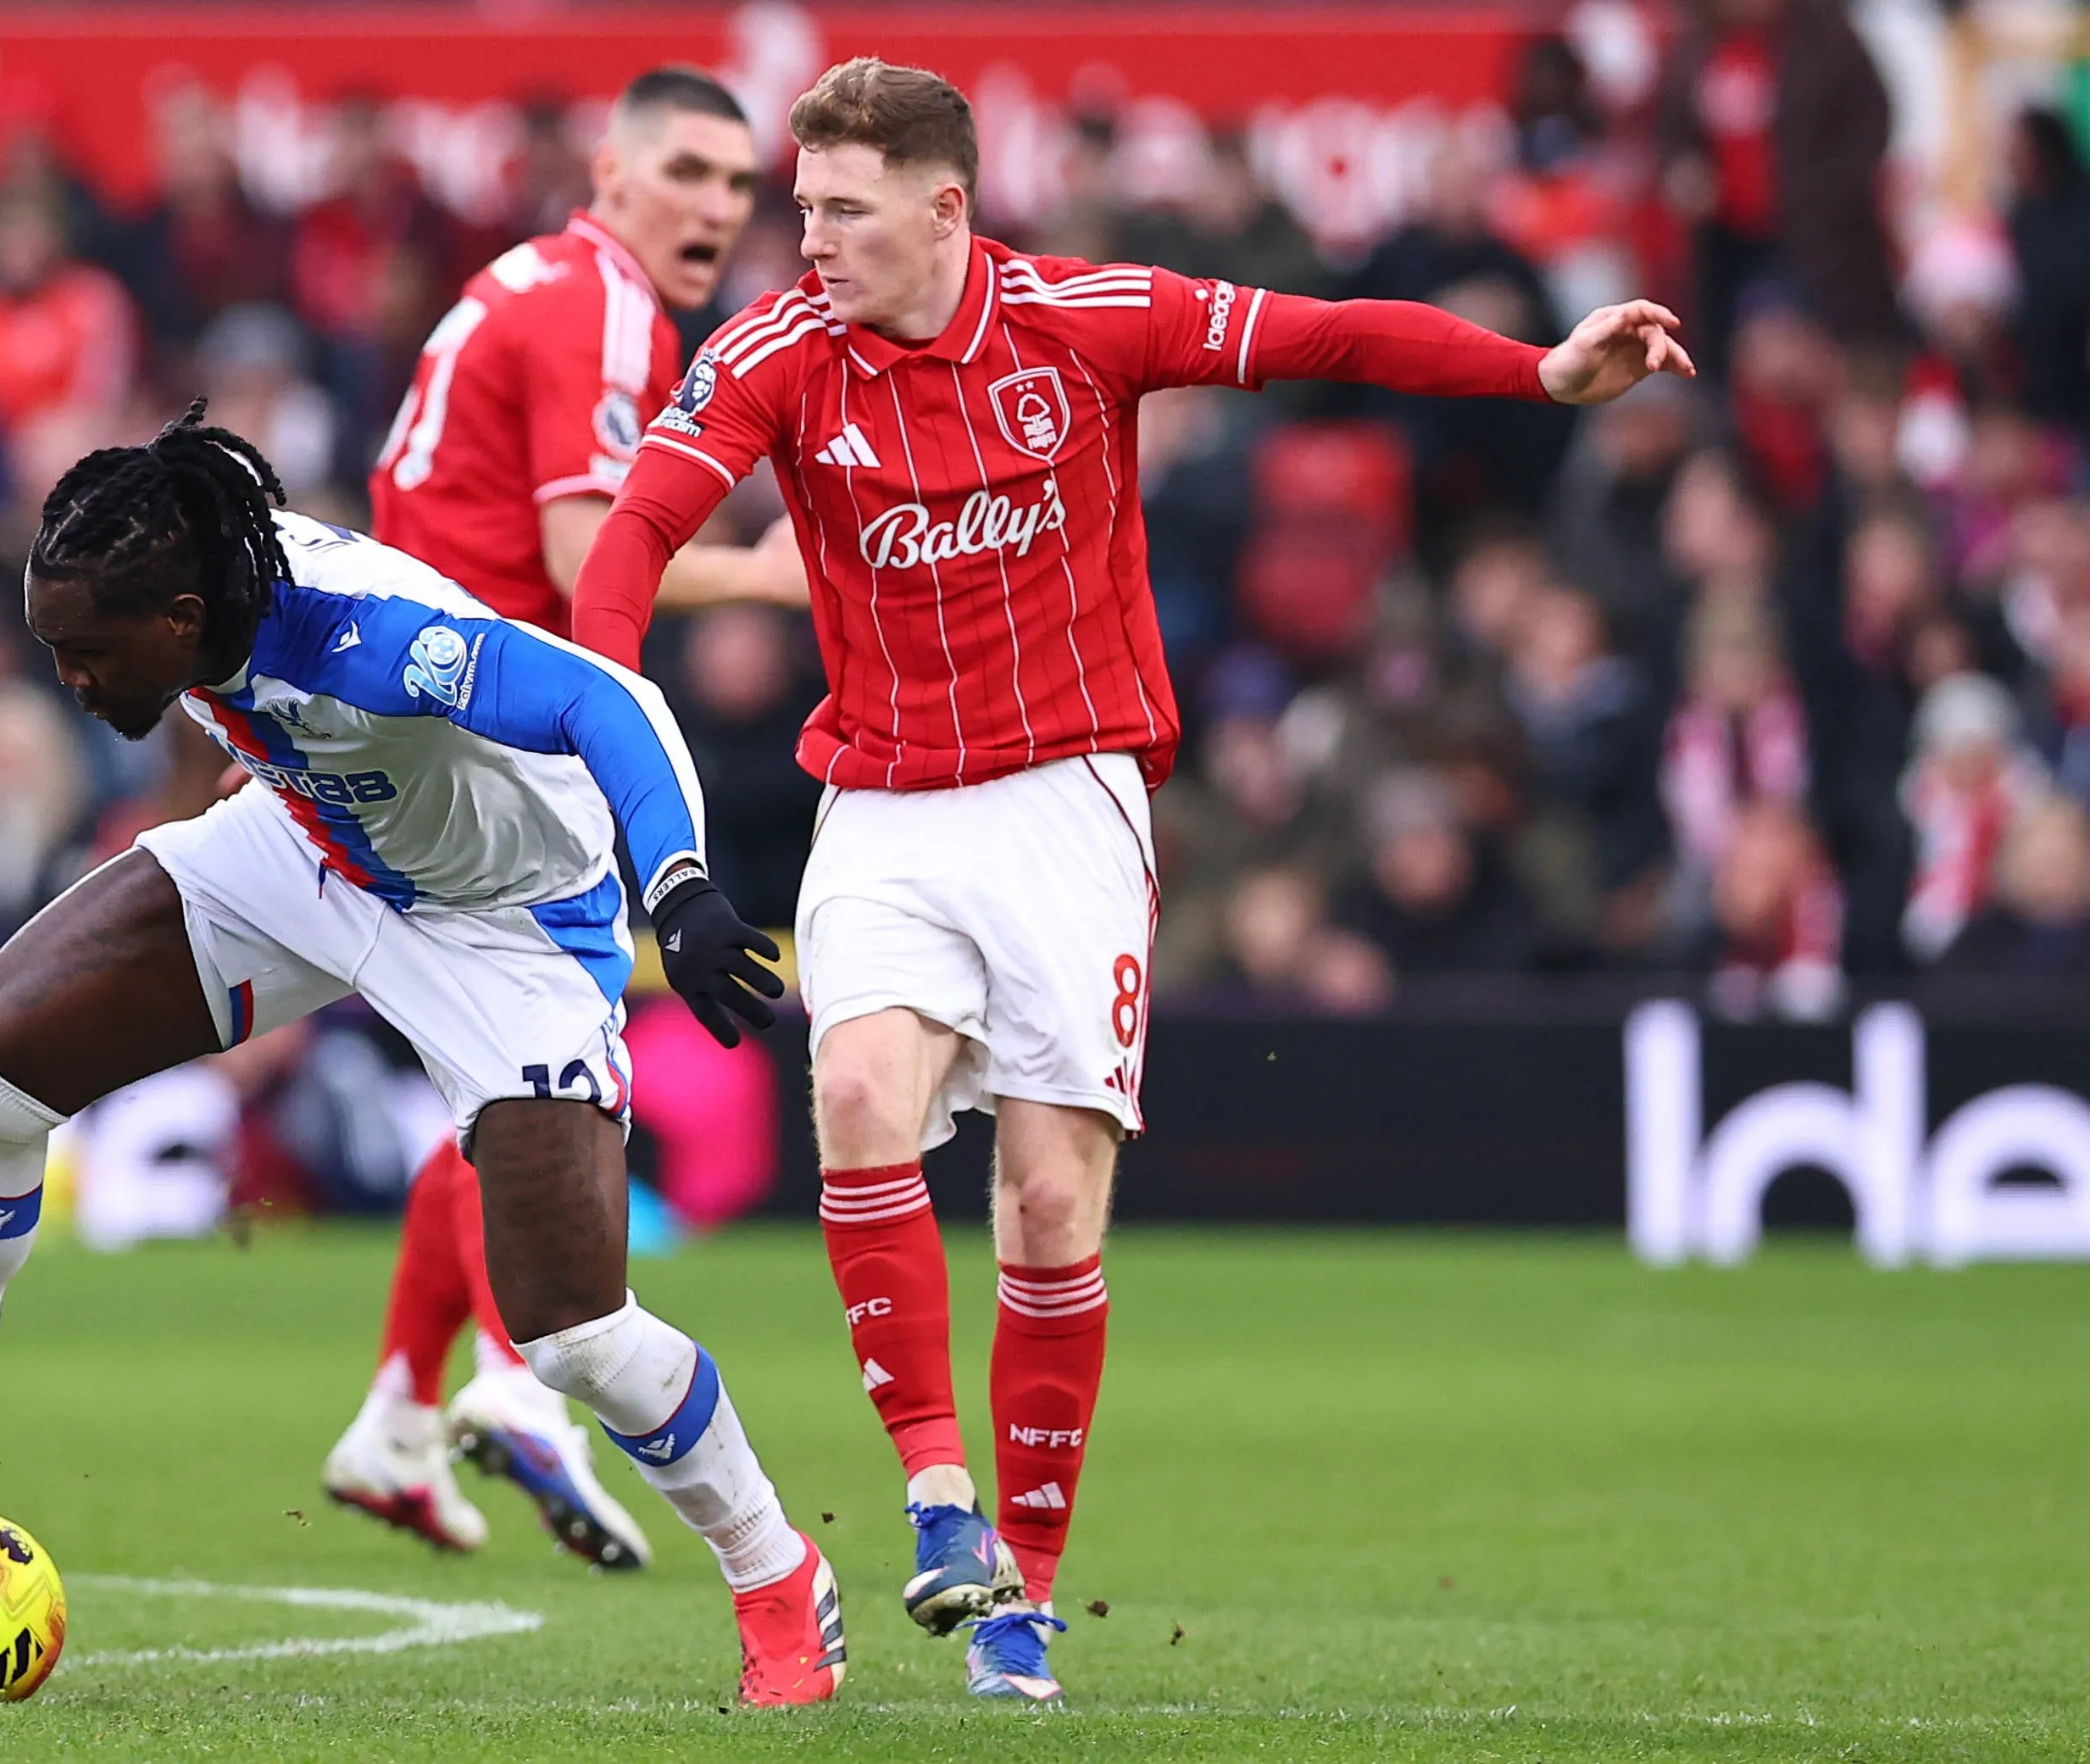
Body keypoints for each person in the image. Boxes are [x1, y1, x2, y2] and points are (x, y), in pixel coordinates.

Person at [572, 56, 1694, 1702]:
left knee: (1043, 1203)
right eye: (798, 207)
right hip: (881, 798)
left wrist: (1540, 368)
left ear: (946, 208)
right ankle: (936, 1497)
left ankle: (1024, 1593)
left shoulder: (1087, 319)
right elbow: (628, 545)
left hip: (1070, 803)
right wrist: (618, 774)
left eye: (841, 210)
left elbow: (1332, 332)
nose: (803, 239)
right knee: (861, 1087)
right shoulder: (776, 355)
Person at [0, 405, 843, 1706]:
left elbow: (603, 699)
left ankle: (776, 1573)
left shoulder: (359, 638)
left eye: (86, 654)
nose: (71, 681)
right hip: (311, 849)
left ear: (173, 617)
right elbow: (232, 701)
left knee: (571, 1337)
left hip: (506, 928)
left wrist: (678, 885)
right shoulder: (188, 582)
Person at [327, 66, 806, 1569]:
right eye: (688, 173)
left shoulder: (514, 283)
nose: (717, 211)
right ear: (610, 170)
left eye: (740, 188)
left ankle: (399, 1424)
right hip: (484, 748)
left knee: (492, 1087)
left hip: (406, 707)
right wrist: (782, 575)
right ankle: (517, 1378)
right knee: (545, 1083)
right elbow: (583, 553)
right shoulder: (602, 310)